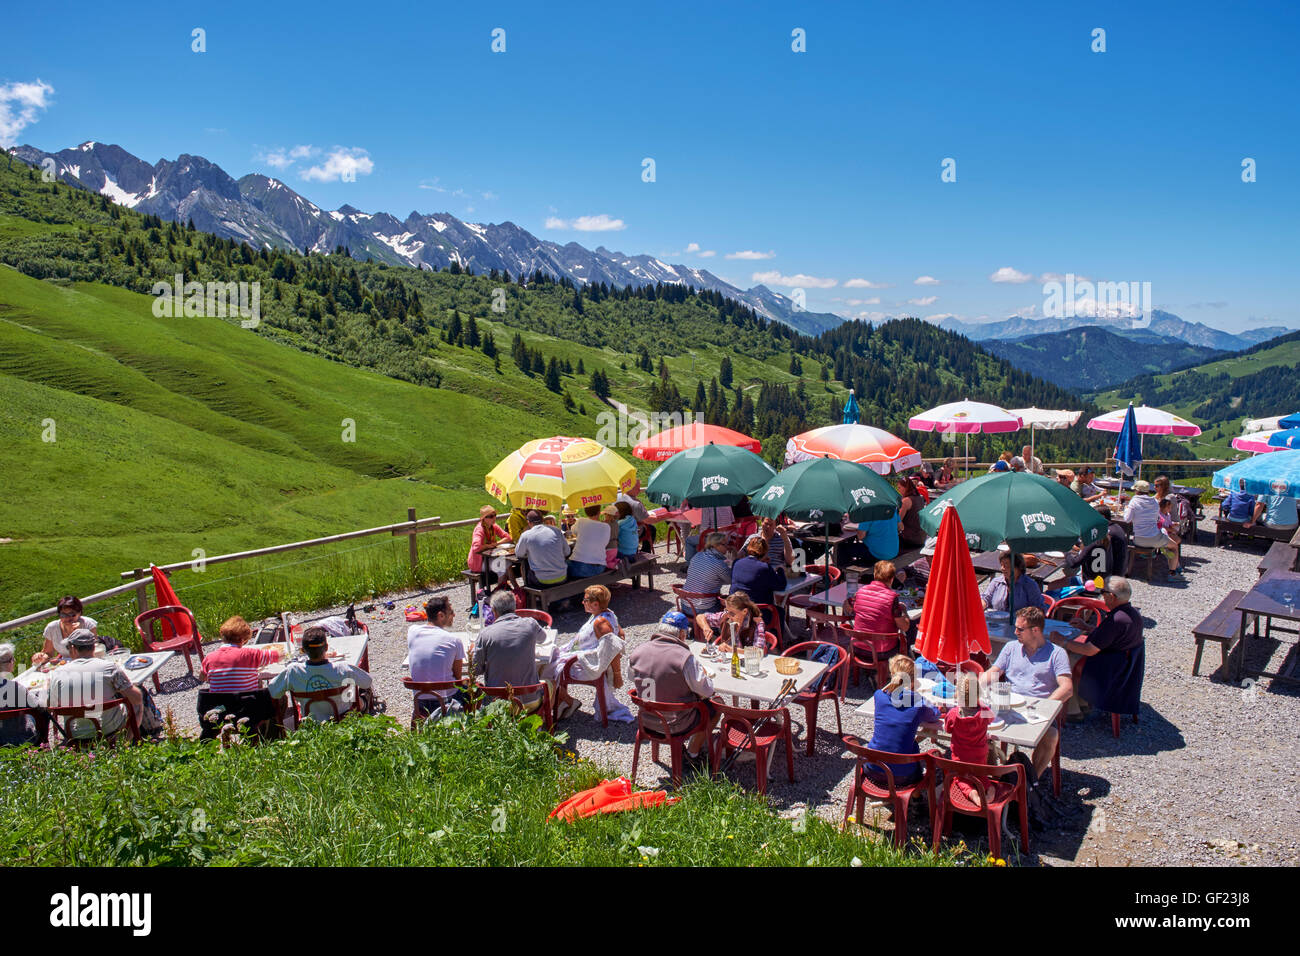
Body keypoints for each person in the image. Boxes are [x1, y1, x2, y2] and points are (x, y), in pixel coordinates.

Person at [980, 607, 1072, 787]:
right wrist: (976, 687)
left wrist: (1044, 706)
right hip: (1008, 706)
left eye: (1020, 629)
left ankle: (1029, 784)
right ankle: (990, 778)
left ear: (1035, 630)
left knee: (1051, 735)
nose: (1015, 632)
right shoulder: (1011, 647)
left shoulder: (1056, 653)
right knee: (978, 726)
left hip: (1038, 709)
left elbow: (1067, 688)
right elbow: (994, 671)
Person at [628, 610, 718, 761]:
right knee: (716, 706)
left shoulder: (638, 652)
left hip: (646, 719)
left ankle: (683, 751)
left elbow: (633, 677)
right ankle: (693, 753)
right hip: (676, 723)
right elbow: (707, 690)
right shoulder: (684, 658)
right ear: (682, 634)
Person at [543, 585, 631, 722]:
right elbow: (621, 633)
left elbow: (613, 649)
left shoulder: (600, 623)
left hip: (589, 665)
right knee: (549, 661)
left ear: (595, 604)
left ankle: (566, 702)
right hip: (583, 656)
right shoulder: (608, 614)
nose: (582, 603)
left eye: (585, 600)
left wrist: (617, 675)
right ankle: (563, 701)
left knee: (546, 668)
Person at [46, 628, 149, 741]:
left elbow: (50, 706)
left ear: (72, 648)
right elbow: (136, 697)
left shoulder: (57, 673)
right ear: (94, 647)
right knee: (138, 703)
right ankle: (125, 743)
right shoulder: (109, 667)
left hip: (75, 732)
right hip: (108, 728)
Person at [197, 615, 284, 739]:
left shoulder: (209, 657)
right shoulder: (251, 654)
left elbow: (202, 677)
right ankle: (270, 736)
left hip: (220, 711)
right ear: (243, 639)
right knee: (280, 698)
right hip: (248, 710)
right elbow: (279, 655)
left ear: (223, 636)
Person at [269, 626, 373, 725]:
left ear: (303, 650)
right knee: (359, 693)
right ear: (326, 647)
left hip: (311, 722)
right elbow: (367, 681)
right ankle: (364, 705)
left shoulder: (293, 671)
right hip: (342, 719)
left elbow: (273, 691)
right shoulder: (342, 668)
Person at [1074, 577, 1144, 718]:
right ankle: (1082, 702)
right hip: (1123, 666)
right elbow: (1112, 637)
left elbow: (1089, 649)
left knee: (1068, 659)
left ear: (1111, 597)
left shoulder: (1116, 620)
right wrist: (1088, 627)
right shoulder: (1132, 613)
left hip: (1110, 669)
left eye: (1103, 592)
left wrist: (1062, 641)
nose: (1102, 595)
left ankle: (1073, 710)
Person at [865, 655, 941, 785]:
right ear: (913, 681)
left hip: (871, 769)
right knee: (914, 750)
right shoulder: (917, 702)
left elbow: (888, 695)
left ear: (892, 675)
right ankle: (916, 799)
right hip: (902, 777)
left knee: (910, 745)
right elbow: (935, 715)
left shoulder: (879, 696)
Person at [474, 591, 547, 709]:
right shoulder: (530, 624)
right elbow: (543, 638)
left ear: (494, 610)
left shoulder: (485, 634)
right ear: (515, 606)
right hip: (530, 701)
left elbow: (476, 670)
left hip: (498, 705)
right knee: (551, 683)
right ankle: (540, 720)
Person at [405, 597, 468, 717]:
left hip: (420, 700)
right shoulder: (454, 641)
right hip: (445, 700)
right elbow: (457, 678)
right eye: (451, 612)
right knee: (475, 689)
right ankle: (466, 724)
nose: (454, 615)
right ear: (441, 615)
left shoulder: (412, 631)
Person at [945, 672, 997, 799]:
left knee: (962, 780)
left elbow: (947, 728)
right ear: (978, 694)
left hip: (960, 758)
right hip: (979, 758)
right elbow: (991, 719)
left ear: (959, 695)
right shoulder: (984, 712)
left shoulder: (953, 714)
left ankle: (973, 795)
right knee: (982, 778)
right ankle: (989, 792)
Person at [1124, 480, 1181, 576]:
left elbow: (1127, 519)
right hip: (1155, 538)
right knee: (1174, 546)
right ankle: (1173, 573)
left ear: (1137, 491)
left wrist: (1126, 509)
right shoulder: (1154, 502)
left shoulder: (1134, 501)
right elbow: (1157, 519)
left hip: (1139, 539)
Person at [850, 560, 911, 639]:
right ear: (892, 578)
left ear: (875, 575)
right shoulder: (892, 598)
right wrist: (903, 610)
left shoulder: (860, 591)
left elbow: (847, 605)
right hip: (882, 648)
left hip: (857, 644)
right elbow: (905, 627)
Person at [33, 595, 100, 665]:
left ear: (79, 613)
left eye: (72, 614)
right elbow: (48, 653)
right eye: (63, 615)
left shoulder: (88, 624)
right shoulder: (52, 628)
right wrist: (41, 657)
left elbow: (93, 651)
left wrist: (80, 633)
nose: (68, 618)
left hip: (86, 663)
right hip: (64, 664)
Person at [0, 642, 44, 746]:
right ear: (9, 663)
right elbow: (40, 706)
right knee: (37, 713)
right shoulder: (14, 687)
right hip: (19, 739)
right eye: (13, 659)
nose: (14, 661)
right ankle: (43, 742)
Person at [514, 509, 571, 589]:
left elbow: (518, 554)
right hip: (562, 577)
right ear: (543, 520)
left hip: (541, 581)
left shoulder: (526, 535)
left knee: (525, 566)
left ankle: (530, 596)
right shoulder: (556, 530)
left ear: (528, 522)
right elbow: (567, 552)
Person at [696, 591, 767, 651]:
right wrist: (706, 627)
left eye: (732, 613)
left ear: (744, 611)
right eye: (726, 610)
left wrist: (732, 650)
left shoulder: (756, 623)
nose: (729, 615)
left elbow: (758, 651)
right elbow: (700, 617)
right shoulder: (726, 616)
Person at [682, 531, 731, 613]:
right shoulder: (718, 563)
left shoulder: (698, 555)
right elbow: (730, 580)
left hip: (685, 604)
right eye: (724, 544)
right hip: (702, 608)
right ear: (715, 545)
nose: (727, 546)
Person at [982, 551, 1046, 612]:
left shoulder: (1030, 585)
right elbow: (986, 599)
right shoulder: (996, 582)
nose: (1002, 568)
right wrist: (981, 607)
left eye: (1006, 565)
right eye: (1001, 565)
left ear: (1018, 567)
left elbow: (1039, 609)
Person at [730, 536, 784, 607]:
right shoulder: (765, 567)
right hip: (757, 612)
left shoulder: (736, 562)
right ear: (765, 551)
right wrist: (780, 570)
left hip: (736, 609)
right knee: (781, 611)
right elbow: (780, 586)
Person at [467, 505, 511, 587]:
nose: (494, 518)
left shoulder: (493, 526)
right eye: (491, 516)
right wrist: (489, 546)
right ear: (484, 518)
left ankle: (507, 587)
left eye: (494, 515)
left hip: (489, 558)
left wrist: (496, 544)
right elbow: (476, 547)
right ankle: (501, 590)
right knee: (502, 566)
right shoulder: (479, 529)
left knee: (508, 563)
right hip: (478, 562)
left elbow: (508, 537)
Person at [569, 505, 612, 578]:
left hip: (577, 567)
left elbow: (573, 531)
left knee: (562, 565)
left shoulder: (581, 521)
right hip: (598, 568)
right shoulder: (606, 526)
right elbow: (605, 543)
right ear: (599, 512)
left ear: (586, 512)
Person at [896, 477, 926, 549]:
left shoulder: (906, 501)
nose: (898, 490)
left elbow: (898, 522)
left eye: (899, 488)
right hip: (921, 538)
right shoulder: (920, 498)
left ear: (906, 487)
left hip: (910, 539)